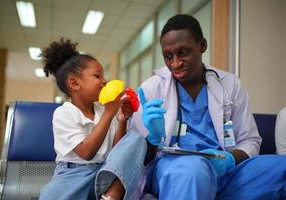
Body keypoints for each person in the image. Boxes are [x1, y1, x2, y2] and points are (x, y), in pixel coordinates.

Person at [129, 14, 286, 200]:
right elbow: (135, 157)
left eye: (183, 52)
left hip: (225, 171)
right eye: (168, 56)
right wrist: (152, 140)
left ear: (202, 45)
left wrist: (228, 160)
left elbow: (249, 140)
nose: (175, 63)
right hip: (176, 168)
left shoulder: (230, 84)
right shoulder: (152, 89)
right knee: (193, 171)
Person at [39, 38, 146, 200]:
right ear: (74, 83)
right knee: (50, 196)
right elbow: (86, 152)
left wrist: (122, 120)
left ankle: (112, 196)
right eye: (97, 76)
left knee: (136, 139)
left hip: (105, 173)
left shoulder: (104, 110)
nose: (104, 81)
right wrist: (109, 113)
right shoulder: (64, 113)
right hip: (72, 175)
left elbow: (117, 152)